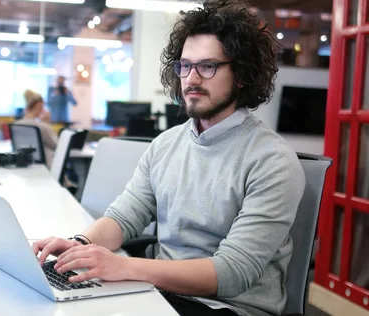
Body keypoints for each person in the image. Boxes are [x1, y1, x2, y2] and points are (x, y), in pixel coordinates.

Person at [32, 1, 305, 316]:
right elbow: (124, 217)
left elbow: (232, 273)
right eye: (185, 66)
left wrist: (122, 266)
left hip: (228, 307)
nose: (191, 79)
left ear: (242, 75)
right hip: (161, 294)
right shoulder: (165, 145)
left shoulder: (273, 161)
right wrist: (81, 243)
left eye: (207, 66)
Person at [15, 89, 58, 168]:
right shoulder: (41, 126)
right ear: (39, 106)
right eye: (43, 107)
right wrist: (47, 123)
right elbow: (56, 145)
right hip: (45, 167)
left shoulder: (16, 125)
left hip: (23, 165)